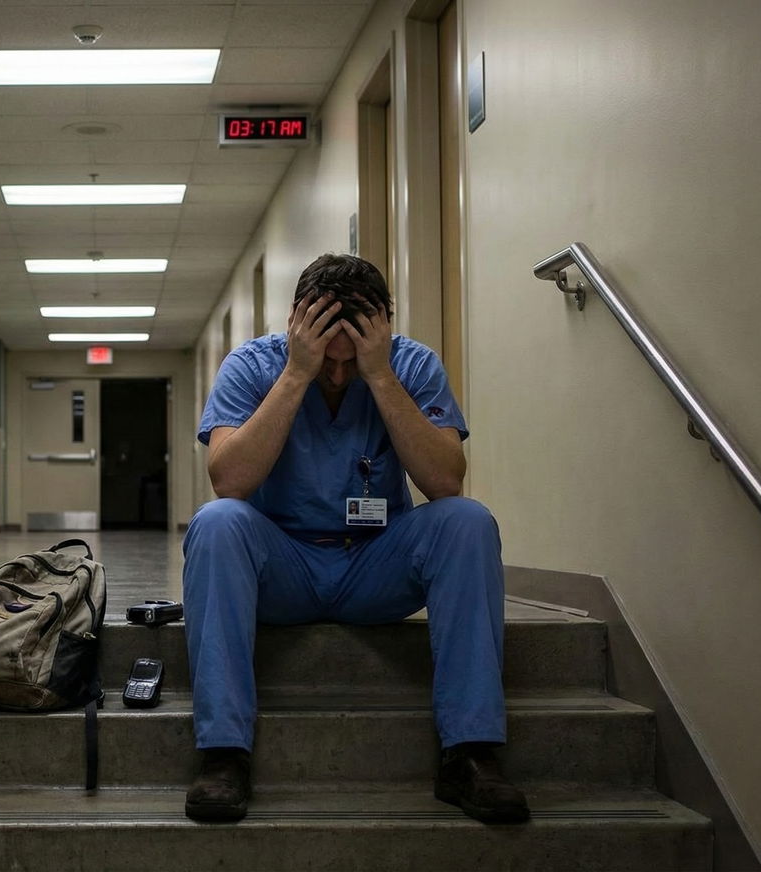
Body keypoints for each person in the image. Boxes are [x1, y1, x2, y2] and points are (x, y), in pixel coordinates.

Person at [182, 253, 528, 825]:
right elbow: (230, 481)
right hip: (284, 567)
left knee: (467, 520)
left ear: (384, 327)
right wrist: (298, 374)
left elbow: (444, 480)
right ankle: (224, 753)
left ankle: (470, 752)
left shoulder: (411, 364)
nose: (339, 376)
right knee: (216, 521)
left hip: (375, 564)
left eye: (350, 361)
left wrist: (380, 375)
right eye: (328, 361)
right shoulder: (251, 365)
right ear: (296, 324)